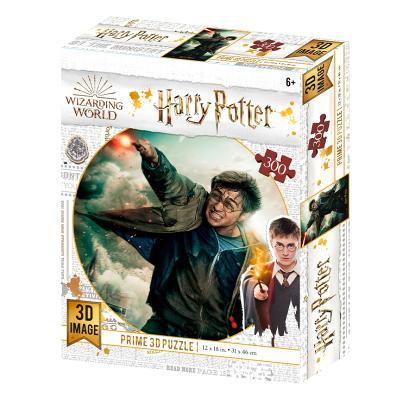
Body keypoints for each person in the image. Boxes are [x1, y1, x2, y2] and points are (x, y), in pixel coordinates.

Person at [80, 129, 267, 340]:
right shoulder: (195, 205)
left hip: (215, 338)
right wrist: (155, 160)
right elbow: (172, 183)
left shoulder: (255, 254)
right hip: (164, 325)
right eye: (216, 196)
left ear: (244, 215)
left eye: (229, 204)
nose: (217, 206)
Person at [241, 217, 300, 345]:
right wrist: (255, 287)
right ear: (271, 243)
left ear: (298, 244)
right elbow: (250, 276)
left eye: (290, 246)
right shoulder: (263, 271)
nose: (285, 252)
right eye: (279, 245)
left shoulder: (308, 273)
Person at [171, 32, 237, 60]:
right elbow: (216, 35)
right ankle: (177, 55)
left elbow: (218, 47)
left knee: (196, 55)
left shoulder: (225, 43)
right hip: (202, 45)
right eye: (229, 37)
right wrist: (216, 33)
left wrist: (213, 51)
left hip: (206, 49)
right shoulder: (220, 37)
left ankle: (179, 55)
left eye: (230, 39)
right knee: (191, 52)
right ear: (228, 36)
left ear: (230, 40)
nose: (228, 38)